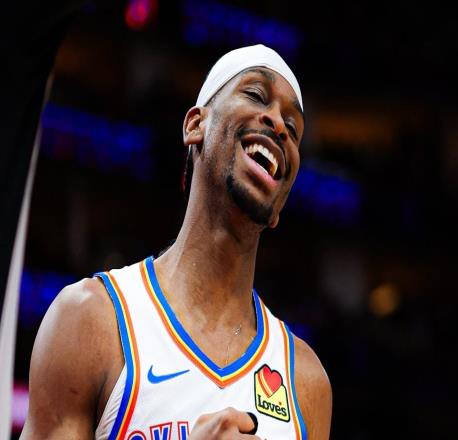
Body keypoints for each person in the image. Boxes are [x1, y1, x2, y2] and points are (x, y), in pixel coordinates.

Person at [21, 44, 332, 439]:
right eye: (256, 95)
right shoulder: (91, 318)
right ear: (194, 126)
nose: (280, 126)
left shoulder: (305, 382)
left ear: (279, 206)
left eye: (294, 128)